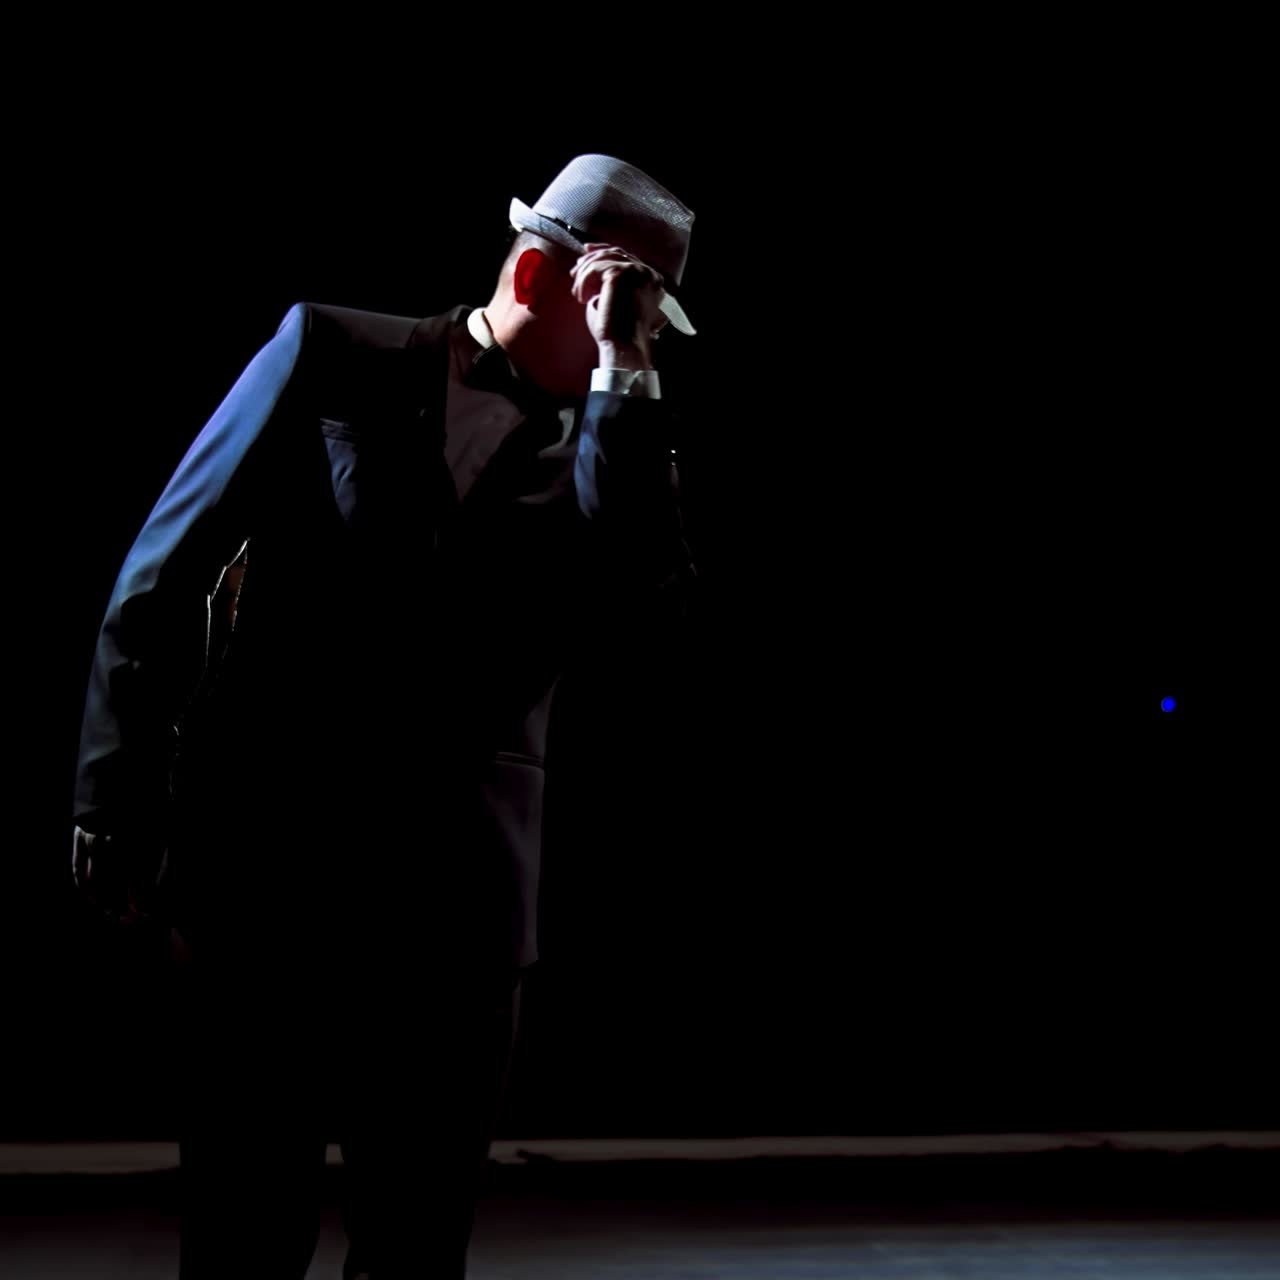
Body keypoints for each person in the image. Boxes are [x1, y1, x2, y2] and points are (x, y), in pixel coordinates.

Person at [70, 153, 697, 1279]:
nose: (635, 329)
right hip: (270, 885)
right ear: (535, 272)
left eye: (650, 314)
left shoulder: (607, 447)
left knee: (414, 1248)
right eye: (622, 301)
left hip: (457, 924)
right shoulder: (332, 353)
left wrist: (622, 365)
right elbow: (161, 571)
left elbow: (645, 586)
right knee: (241, 1233)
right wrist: (112, 794)